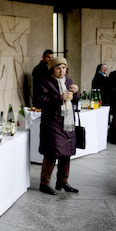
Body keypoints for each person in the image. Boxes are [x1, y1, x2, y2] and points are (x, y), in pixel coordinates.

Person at [34, 57, 80, 195]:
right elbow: (39, 100)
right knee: (51, 154)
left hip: (67, 123)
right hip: (52, 123)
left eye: (64, 68)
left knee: (67, 153)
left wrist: (76, 92)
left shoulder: (69, 80)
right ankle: (44, 183)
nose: (62, 71)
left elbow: (75, 101)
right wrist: (59, 97)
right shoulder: (45, 81)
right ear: (53, 69)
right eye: (58, 68)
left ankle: (62, 182)